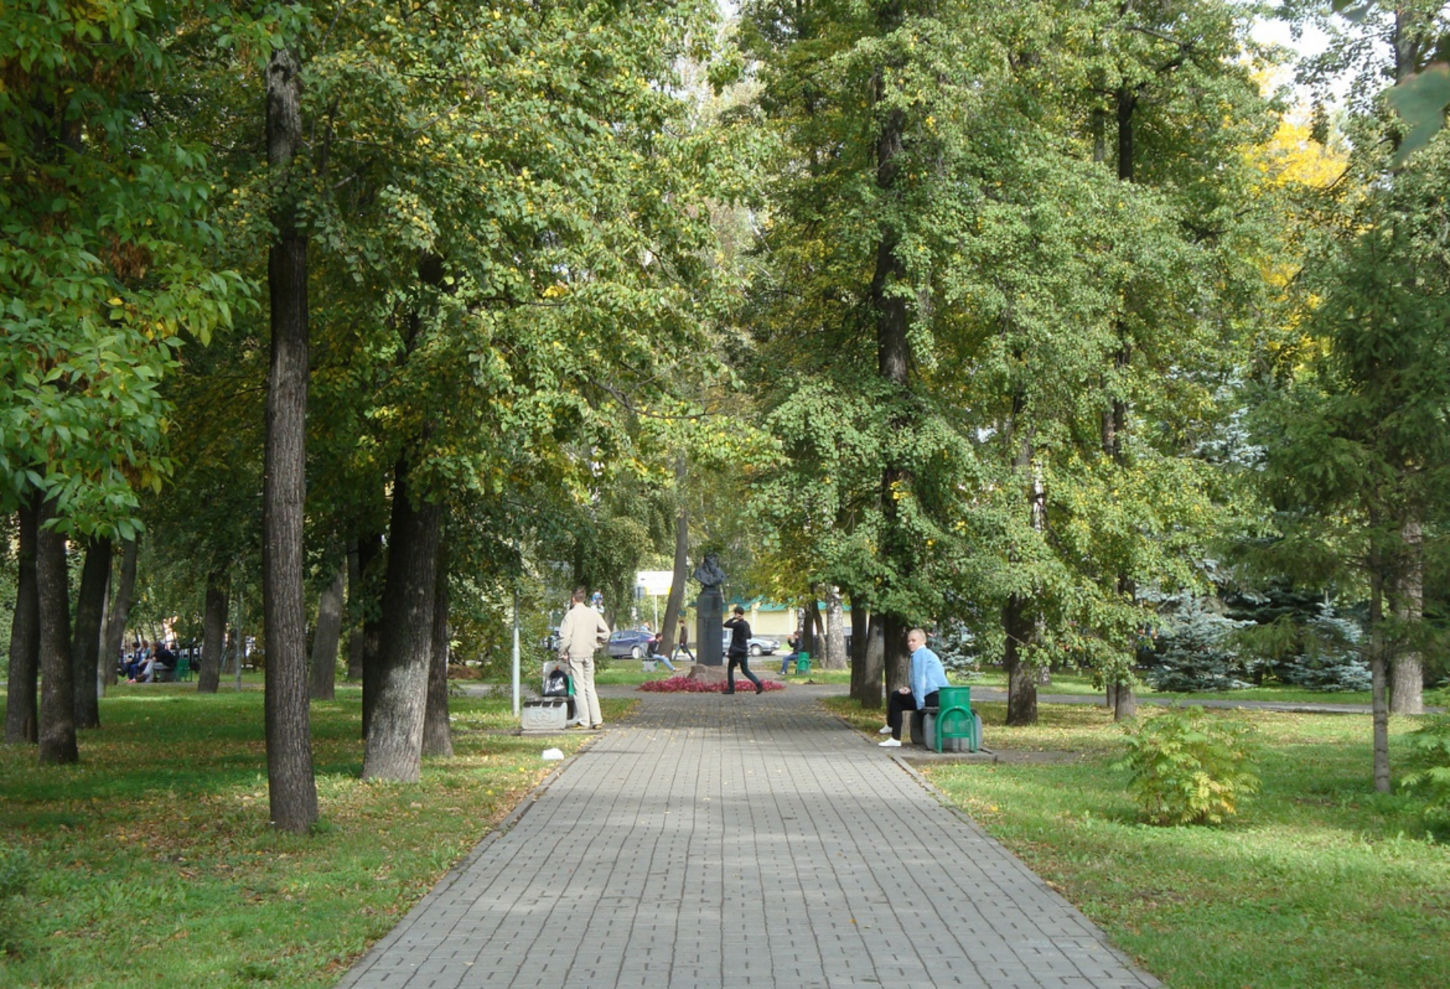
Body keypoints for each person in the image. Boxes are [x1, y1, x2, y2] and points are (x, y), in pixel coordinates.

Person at [879, 627, 950, 747]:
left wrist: (920, 703)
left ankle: (894, 734)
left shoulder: (920, 654)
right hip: (940, 695)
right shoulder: (927, 653)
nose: (910, 643)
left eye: (913, 640)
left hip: (932, 696)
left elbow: (920, 678)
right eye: (908, 641)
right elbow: (924, 678)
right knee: (898, 695)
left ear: (923, 641)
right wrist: (909, 688)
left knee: (896, 698)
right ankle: (892, 730)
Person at [557, 586, 611, 730]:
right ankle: (597, 720)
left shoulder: (571, 615)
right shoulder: (593, 614)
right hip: (589, 653)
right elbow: (606, 633)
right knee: (590, 686)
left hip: (575, 654)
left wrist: (562, 653)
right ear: (584, 599)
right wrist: (596, 643)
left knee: (579, 687)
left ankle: (584, 721)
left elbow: (565, 638)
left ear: (573, 599)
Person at [722, 605, 763, 695]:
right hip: (744, 650)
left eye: (735, 613)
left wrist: (733, 618)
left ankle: (731, 689)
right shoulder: (746, 624)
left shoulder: (737, 624)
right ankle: (758, 683)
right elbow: (749, 636)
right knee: (745, 670)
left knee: (730, 669)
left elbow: (725, 624)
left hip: (735, 651)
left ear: (737, 614)